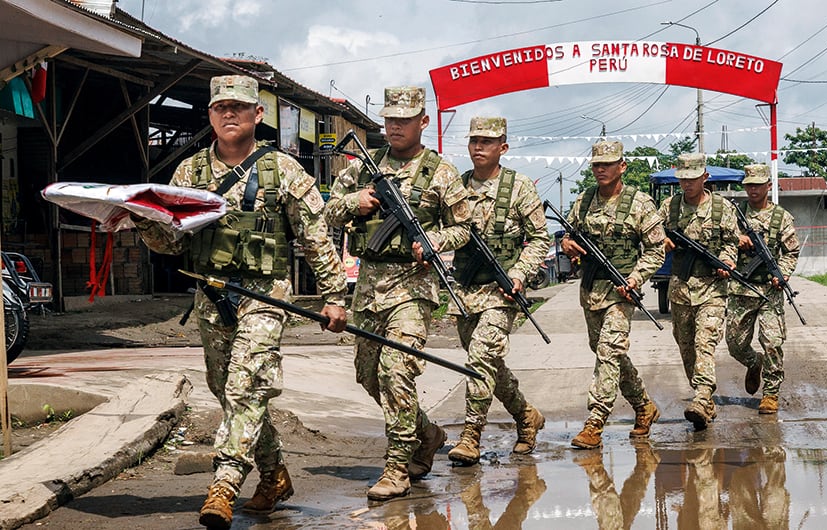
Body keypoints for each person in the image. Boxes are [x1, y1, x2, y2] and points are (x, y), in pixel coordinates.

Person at [132, 75, 349, 530]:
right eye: (219, 107)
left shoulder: (284, 171)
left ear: (258, 114)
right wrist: (140, 222)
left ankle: (224, 484)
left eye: (238, 106)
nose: (228, 114)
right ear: (210, 115)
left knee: (244, 386)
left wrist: (333, 297)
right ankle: (274, 474)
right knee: (228, 390)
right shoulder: (189, 173)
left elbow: (315, 239)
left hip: (265, 296)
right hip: (210, 296)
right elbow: (172, 243)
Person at [325, 86, 471, 501]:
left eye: (404, 120)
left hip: (414, 288)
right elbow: (327, 209)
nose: (395, 127)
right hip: (370, 288)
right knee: (368, 376)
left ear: (422, 122)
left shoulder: (440, 172)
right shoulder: (364, 168)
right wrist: (358, 201)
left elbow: (464, 228)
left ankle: (396, 469)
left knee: (396, 372)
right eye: (389, 120)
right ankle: (427, 434)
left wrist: (436, 240)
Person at [447, 116, 548, 465]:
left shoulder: (518, 187)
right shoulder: (456, 188)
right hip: (464, 292)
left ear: (502, 147)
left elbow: (538, 239)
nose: (479, 147)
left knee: (479, 360)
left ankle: (471, 435)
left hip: (501, 293)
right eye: (474, 140)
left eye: (487, 142)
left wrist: (519, 273)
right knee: (490, 364)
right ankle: (525, 415)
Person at [560, 140, 665, 449]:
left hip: (622, 292)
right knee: (607, 352)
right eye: (596, 164)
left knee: (609, 351)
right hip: (592, 289)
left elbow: (656, 249)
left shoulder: (640, 203)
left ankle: (595, 422)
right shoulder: (584, 200)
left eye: (607, 163)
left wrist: (636, 278)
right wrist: (566, 243)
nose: (601, 168)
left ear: (623, 166)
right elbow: (568, 233)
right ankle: (644, 406)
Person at [660, 152, 739, 430]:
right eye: (682, 179)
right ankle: (706, 403)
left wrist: (728, 260)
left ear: (705, 177)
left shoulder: (722, 209)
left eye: (692, 179)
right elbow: (653, 237)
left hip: (712, 289)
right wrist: (664, 244)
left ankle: (702, 395)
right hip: (680, 288)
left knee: (705, 343)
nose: (687, 184)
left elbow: (731, 242)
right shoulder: (669, 208)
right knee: (686, 347)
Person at [725, 164, 800, 414]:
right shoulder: (734, 215)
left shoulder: (781, 217)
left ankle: (770, 393)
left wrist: (784, 273)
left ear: (768, 186)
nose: (753, 189)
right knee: (734, 343)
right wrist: (737, 239)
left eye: (758, 185)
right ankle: (753, 362)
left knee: (772, 343)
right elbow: (720, 238)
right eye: (749, 185)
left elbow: (791, 251)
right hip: (741, 288)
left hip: (770, 290)